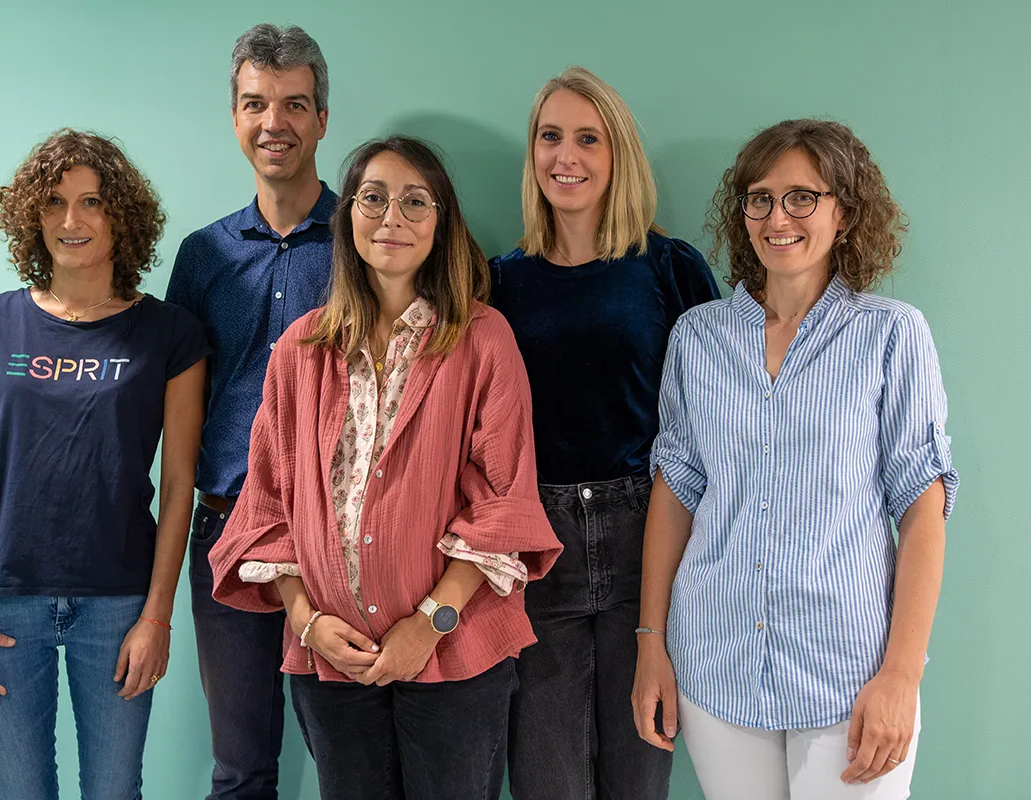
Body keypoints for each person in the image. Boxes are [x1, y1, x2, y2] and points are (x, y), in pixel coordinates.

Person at [209, 136, 563, 800]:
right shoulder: (300, 350)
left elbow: (503, 501)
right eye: (372, 198)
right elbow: (268, 504)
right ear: (348, 219)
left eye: (414, 201)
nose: (391, 217)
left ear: (441, 222)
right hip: (330, 659)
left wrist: (429, 623)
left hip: (453, 655)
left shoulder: (482, 340)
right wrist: (310, 622)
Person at [632, 119, 957, 800]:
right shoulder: (698, 339)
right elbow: (675, 492)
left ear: (844, 211)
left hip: (851, 672)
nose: (778, 217)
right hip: (716, 663)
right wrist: (650, 643)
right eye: (760, 198)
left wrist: (902, 676)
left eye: (802, 197)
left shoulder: (891, 336)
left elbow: (923, 512)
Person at [0, 128, 208, 800]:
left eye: (91, 202)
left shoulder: (169, 333)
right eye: (54, 202)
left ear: (123, 216)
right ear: (31, 215)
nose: (71, 221)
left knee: (115, 792)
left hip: (118, 601)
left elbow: (178, 489)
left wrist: (157, 617)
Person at [489, 66, 720, 799]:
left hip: (645, 544)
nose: (568, 156)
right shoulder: (498, 282)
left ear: (618, 153)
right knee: (544, 778)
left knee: (639, 774)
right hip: (538, 549)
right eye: (550, 137)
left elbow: (715, 417)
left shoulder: (668, 267)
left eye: (588, 139)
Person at [164, 23, 335, 800]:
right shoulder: (202, 255)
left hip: (336, 538)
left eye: (296, 104)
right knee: (239, 771)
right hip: (227, 530)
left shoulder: (368, 239)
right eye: (257, 104)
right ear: (235, 117)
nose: (277, 123)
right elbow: (180, 408)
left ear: (322, 119)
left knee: (355, 766)